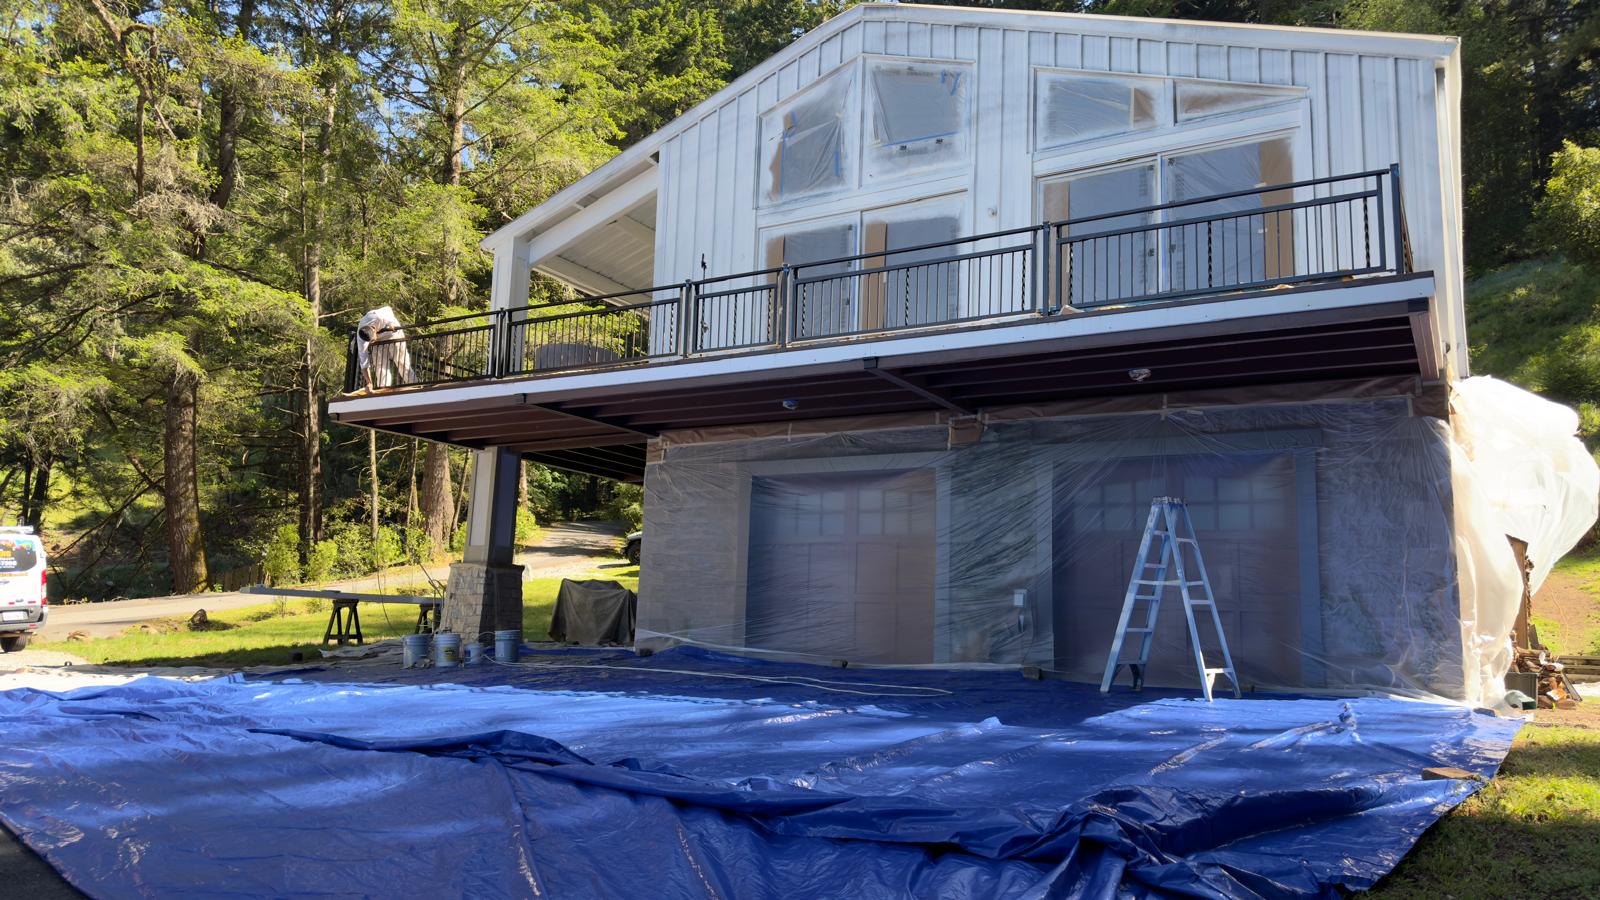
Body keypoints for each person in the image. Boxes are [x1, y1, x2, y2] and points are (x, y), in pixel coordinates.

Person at [356, 306, 414, 390]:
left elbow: (388, 308)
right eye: (369, 342)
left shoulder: (379, 316)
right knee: (379, 364)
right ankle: (384, 389)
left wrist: (391, 323)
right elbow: (364, 363)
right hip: (379, 339)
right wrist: (369, 382)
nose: (371, 342)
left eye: (372, 340)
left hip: (392, 332)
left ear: (374, 328)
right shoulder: (361, 338)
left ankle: (413, 384)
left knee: (401, 361)